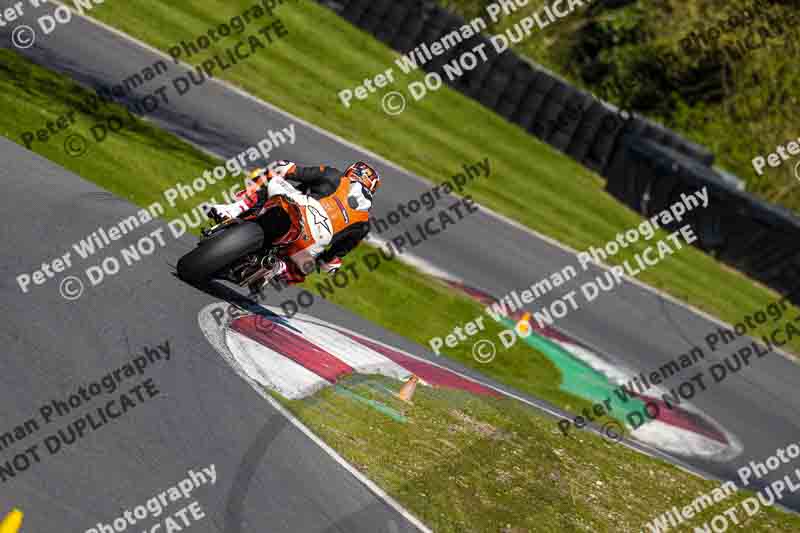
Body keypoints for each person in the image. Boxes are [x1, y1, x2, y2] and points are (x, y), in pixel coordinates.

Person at [206, 160, 380, 289]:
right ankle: (280, 269)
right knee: (308, 265)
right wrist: (327, 261)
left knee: (273, 176)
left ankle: (233, 209)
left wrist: (278, 169)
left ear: (350, 171)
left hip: (300, 209)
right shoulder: (364, 223)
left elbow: (290, 170)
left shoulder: (333, 175)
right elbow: (331, 261)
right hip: (310, 244)